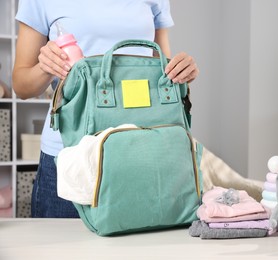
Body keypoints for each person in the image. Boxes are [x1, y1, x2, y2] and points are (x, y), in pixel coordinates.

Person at [13, 0, 262, 218]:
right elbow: (21, 85)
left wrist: (179, 70)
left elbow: (160, 68)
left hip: (138, 152)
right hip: (70, 157)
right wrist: (45, 67)